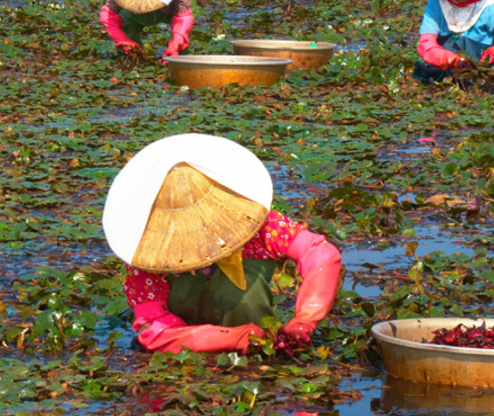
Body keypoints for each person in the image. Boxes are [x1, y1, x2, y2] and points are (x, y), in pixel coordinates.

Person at [102, 133, 342, 354]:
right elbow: (153, 330)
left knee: (236, 290)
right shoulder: (147, 254)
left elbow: (320, 254)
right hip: (188, 350)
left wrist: (303, 322)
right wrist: (233, 338)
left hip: (258, 342)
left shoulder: (257, 225)